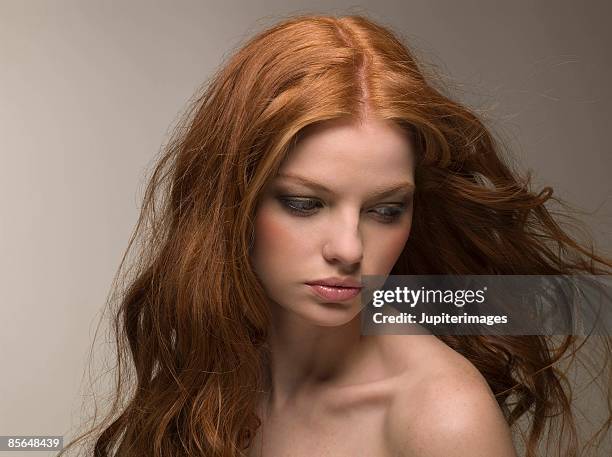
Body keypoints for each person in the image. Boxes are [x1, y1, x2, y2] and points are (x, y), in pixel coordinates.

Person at [61, 14, 612, 457]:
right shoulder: (216, 372)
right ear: (233, 206)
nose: (349, 249)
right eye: (305, 203)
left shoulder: (441, 417)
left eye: (385, 210)